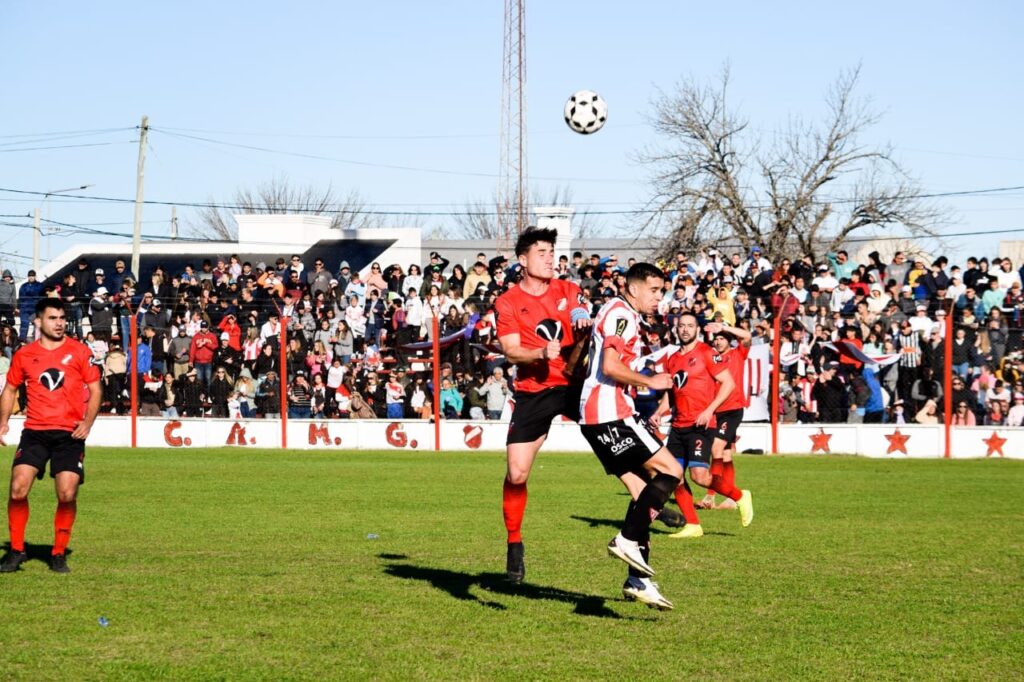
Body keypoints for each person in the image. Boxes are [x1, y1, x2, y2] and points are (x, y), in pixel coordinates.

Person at [578, 262, 684, 610]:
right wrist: (651, 381)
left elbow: (615, 364)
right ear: (633, 287)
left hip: (601, 414)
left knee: (643, 492)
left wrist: (647, 369)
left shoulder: (621, 314)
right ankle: (626, 539)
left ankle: (638, 580)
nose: (659, 298)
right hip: (610, 413)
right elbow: (609, 366)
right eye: (654, 291)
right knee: (671, 472)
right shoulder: (621, 313)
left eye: (661, 292)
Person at [494, 227, 591, 586]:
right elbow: (510, 349)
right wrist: (538, 352)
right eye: (542, 253)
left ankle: (656, 500)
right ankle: (514, 543)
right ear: (523, 260)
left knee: (616, 442)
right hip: (533, 390)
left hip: (574, 386)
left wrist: (581, 314)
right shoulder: (507, 302)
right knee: (517, 473)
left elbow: (580, 305)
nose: (551, 258)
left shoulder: (568, 289)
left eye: (553, 252)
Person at [0, 298, 101, 574]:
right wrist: (3, 422)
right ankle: (16, 551)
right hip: (35, 432)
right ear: (38, 321)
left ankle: (58, 553)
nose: (59, 323)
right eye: (53, 318)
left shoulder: (79, 351)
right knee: (18, 489)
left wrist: (87, 423)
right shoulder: (24, 354)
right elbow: (10, 389)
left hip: (69, 434)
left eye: (62, 318)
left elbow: (95, 389)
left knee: (67, 493)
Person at [650, 315, 751, 540]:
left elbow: (729, 383)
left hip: (701, 424)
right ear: (676, 329)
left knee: (699, 477)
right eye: (682, 326)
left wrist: (709, 410)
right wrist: (658, 412)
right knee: (673, 475)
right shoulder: (672, 359)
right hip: (678, 425)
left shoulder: (707, 352)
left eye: (690, 326)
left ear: (697, 329)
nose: (685, 330)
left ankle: (740, 496)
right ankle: (693, 525)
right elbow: (672, 393)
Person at [699, 322, 756, 517]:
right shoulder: (712, 358)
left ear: (729, 340)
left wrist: (724, 326)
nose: (718, 341)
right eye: (716, 338)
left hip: (731, 410)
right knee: (725, 455)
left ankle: (710, 496)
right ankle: (731, 497)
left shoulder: (737, 354)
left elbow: (747, 336)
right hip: (716, 410)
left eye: (722, 338)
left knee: (715, 449)